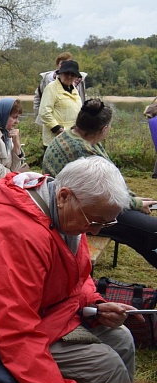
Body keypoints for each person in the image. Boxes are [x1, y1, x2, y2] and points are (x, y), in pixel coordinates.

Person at [0, 156, 137, 383]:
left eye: (105, 223)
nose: (96, 231)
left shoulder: (65, 211)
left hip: (43, 313)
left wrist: (94, 304)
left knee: (122, 339)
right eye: (94, 221)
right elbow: (15, 330)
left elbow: (78, 277)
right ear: (64, 195)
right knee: (105, 366)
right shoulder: (17, 232)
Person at [43, 99, 157, 269]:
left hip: (82, 203)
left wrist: (132, 198)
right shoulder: (82, 149)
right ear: (104, 129)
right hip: (79, 213)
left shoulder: (72, 135)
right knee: (152, 231)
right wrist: (135, 203)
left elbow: (110, 182)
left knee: (145, 227)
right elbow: (103, 191)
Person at [34, 52, 87, 149]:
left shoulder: (74, 89)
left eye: (73, 74)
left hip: (72, 138)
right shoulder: (51, 88)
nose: (69, 77)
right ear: (60, 73)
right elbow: (44, 112)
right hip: (55, 140)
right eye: (67, 73)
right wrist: (57, 129)